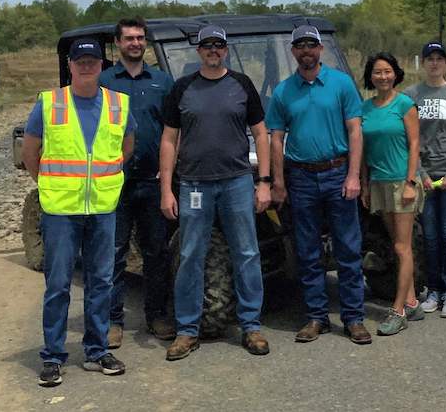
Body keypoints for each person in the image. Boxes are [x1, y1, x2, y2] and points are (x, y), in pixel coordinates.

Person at [22, 39, 134, 387]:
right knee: (58, 285)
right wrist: (51, 184)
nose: (86, 66)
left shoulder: (119, 104)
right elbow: (30, 152)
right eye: (80, 61)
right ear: (70, 65)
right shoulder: (50, 103)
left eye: (92, 61)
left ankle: (97, 350)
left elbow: (125, 149)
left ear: (102, 65)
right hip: (61, 211)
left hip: (102, 208)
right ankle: (53, 356)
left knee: (101, 282)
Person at [160, 24, 271, 360]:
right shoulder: (182, 89)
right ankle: (187, 330)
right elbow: (168, 140)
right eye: (207, 46)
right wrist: (166, 188)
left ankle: (251, 325)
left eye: (218, 46)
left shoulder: (241, 85)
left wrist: (263, 182)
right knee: (192, 255)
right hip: (194, 184)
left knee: (247, 253)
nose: (213, 51)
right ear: (198, 51)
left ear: (226, 50)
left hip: (237, 181)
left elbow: (261, 134)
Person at [267, 25, 371, 345]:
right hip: (301, 177)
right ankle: (316, 317)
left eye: (312, 45)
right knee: (307, 250)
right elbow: (276, 138)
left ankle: (353, 318)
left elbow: (355, 131)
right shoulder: (284, 91)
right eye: (300, 46)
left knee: (348, 248)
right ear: (293, 52)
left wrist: (354, 176)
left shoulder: (341, 84)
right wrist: (278, 182)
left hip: (337, 173)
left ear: (320, 49)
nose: (306, 51)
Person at [99, 18, 175, 348]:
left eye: (140, 38)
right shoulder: (103, 81)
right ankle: (113, 321)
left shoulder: (162, 81)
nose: (135, 43)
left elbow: (175, 129)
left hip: (154, 181)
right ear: (118, 43)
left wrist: (170, 170)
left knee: (156, 253)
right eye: (129, 38)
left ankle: (156, 315)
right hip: (115, 182)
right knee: (112, 253)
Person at [404, 41, 446, 318]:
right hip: (425, 176)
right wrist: (420, 173)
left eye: (439, 58)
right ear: (423, 62)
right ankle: (433, 290)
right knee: (429, 237)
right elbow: (409, 138)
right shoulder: (411, 94)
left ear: (445, 63)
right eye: (429, 58)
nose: (434, 63)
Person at [360, 52, 425, 336]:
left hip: (402, 182)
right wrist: (363, 184)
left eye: (387, 71)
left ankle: (398, 310)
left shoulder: (405, 105)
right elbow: (362, 152)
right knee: (395, 243)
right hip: (378, 183)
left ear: (395, 74)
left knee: (402, 247)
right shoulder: (366, 108)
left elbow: (414, 145)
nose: (382, 76)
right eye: (377, 72)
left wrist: (411, 182)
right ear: (370, 76)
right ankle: (411, 301)